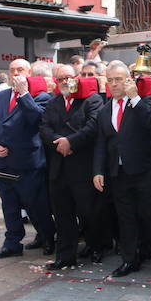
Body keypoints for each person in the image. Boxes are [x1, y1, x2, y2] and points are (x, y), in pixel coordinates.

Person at [93, 62, 151, 277]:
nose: (115, 84)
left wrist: (135, 98)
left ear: (128, 80)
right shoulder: (105, 110)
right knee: (126, 218)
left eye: (119, 79)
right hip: (118, 173)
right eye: (111, 80)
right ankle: (130, 259)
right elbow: (101, 143)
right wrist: (98, 170)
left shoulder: (142, 102)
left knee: (150, 214)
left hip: (143, 170)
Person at [0, 60, 55, 259]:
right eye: (12, 70)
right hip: (3, 162)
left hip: (28, 162)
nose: (15, 74)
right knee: (9, 205)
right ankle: (12, 242)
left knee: (35, 205)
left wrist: (25, 94)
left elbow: (37, 119)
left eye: (20, 70)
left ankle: (48, 236)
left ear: (29, 73)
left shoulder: (40, 97)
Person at [40, 64, 104, 268]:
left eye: (69, 77)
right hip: (59, 167)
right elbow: (44, 127)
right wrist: (60, 141)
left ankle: (96, 247)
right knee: (62, 214)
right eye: (60, 79)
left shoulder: (91, 100)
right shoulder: (53, 102)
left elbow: (93, 126)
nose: (65, 82)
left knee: (89, 211)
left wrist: (71, 142)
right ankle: (65, 256)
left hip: (82, 166)